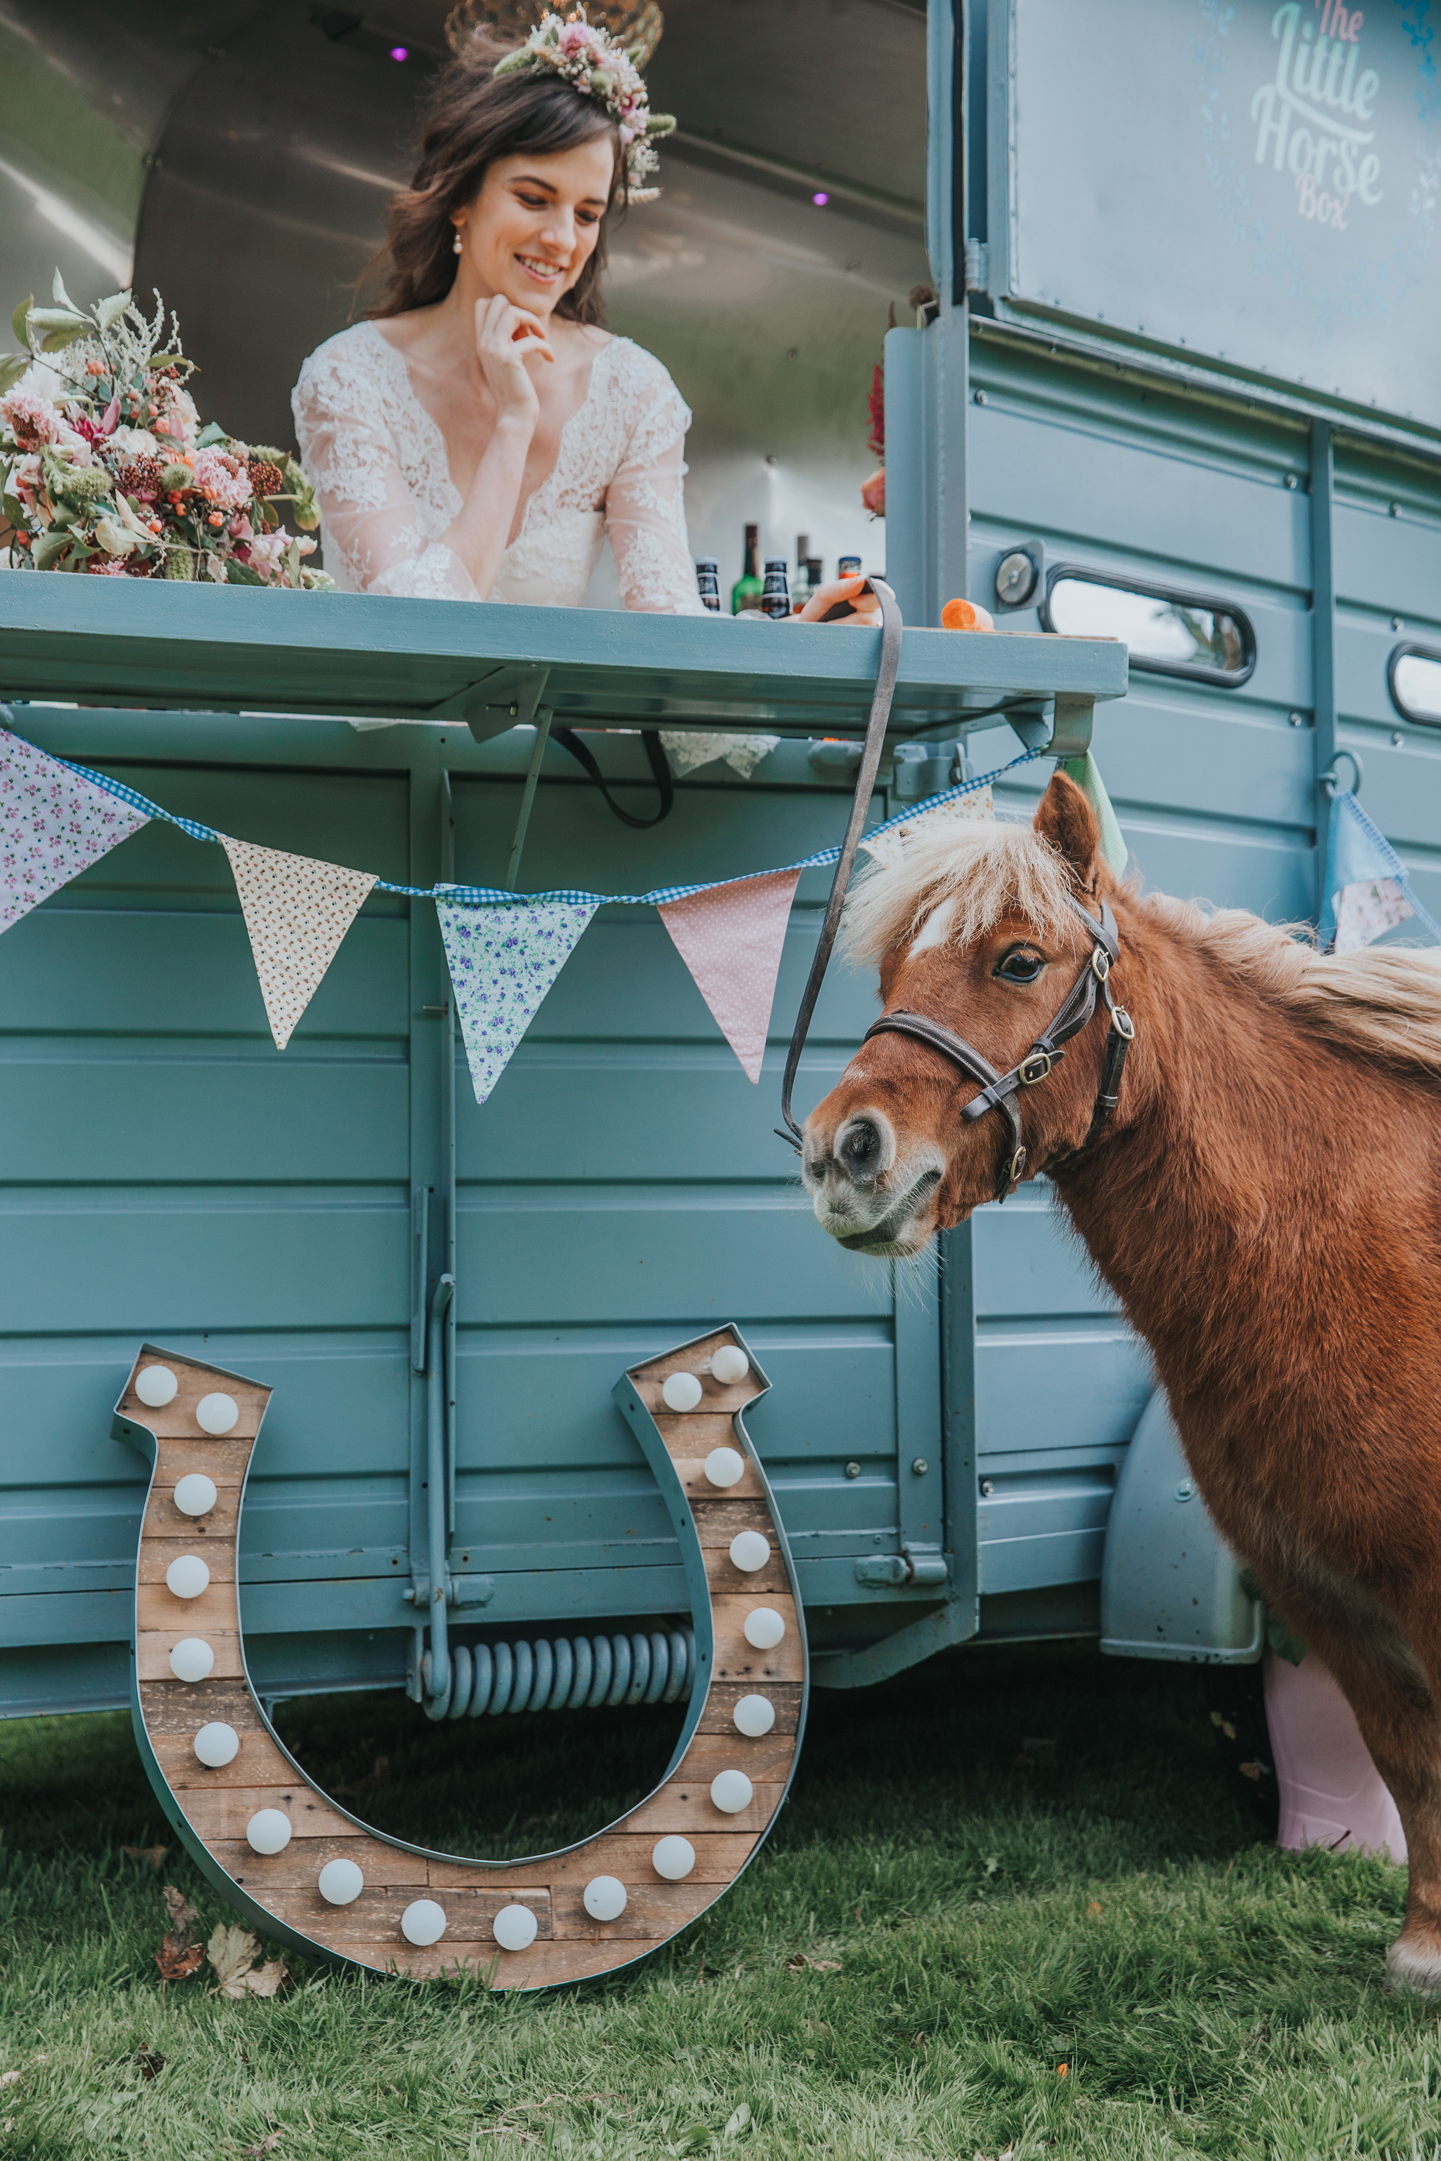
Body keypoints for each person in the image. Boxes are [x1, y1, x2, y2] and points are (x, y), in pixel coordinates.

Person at [290, 9, 700, 613]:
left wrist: (799, 634)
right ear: (460, 199)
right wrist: (514, 426)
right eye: (534, 199)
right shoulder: (350, 378)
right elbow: (414, 631)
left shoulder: (635, 393)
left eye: (587, 214)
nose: (563, 239)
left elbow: (673, 633)